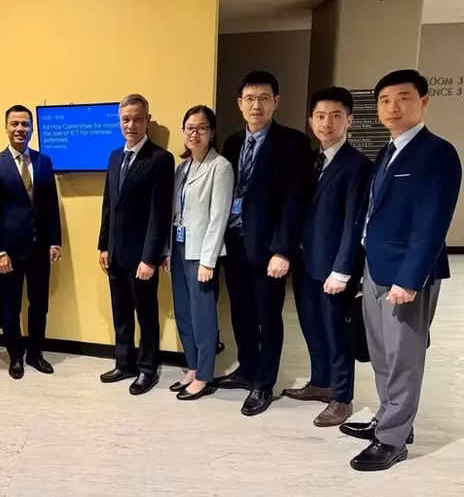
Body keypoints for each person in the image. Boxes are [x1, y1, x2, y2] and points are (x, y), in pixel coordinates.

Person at [342, 70, 461, 471]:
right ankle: (391, 419)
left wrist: (410, 279)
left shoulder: (438, 153)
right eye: (385, 100)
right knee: (380, 352)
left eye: (404, 98)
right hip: (375, 268)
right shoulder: (389, 151)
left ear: (424, 102)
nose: (393, 107)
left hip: (406, 276)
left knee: (404, 356)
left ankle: (392, 441)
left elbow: (432, 222)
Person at [217, 71, 311, 415]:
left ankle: (264, 383)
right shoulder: (231, 142)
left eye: (264, 98)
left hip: (269, 247)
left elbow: (295, 199)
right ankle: (247, 367)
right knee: (240, 311)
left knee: (268, 316)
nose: (257, 105)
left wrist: (284, 249)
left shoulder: (293, 142)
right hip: (235, 242)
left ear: (276, 102)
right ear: (240, 104)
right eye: (250, 98)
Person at [283, 87, 372, 427]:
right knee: (312, 327)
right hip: (306, 264)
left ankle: (341, 397)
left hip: (335, 268)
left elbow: (354, 222)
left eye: (336, 116)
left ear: (349, 120)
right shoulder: (310, 160)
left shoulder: (357, 166)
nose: (327, 123)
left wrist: (343, 269)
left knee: (337, 334)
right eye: (320, 116)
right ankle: (320, 382)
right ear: (310, 121)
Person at [97, 94, 174, 396]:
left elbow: (160, 213)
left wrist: (150, 258)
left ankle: (147, 369)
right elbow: (109, 205)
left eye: (137, 118)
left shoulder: (160, 159)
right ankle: (124, 363)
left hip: (142, 257)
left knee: (146, 314)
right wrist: (103, 245)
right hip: (115, 253)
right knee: (121, 312)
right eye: (125, 119)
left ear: (147, 120)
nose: (131, 124)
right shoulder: (115, 156)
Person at [0, 105, 63, 379]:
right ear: (6, 127)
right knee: (10, 305)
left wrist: (55, 241)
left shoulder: (44, 162)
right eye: (15, 124)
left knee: (39, 304)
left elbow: (51, 205)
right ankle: (15, 355)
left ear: (32, 128)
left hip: (40, 248)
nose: (20, 129)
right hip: (9, 253)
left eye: (25, 124)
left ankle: (36, 353)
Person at [163, 105, 233, 400]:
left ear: (211, 132)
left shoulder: (221, 167)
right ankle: (191, 365)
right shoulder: (183, 168)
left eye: (201, 128)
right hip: (179, 250)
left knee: (203, 315)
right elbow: (174, 212)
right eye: (189, 128)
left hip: (201, 254)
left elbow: (219, 218)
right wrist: (168, 250)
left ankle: (204, 374)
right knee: (184, 313)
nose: (194, 133)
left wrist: (209, 260)